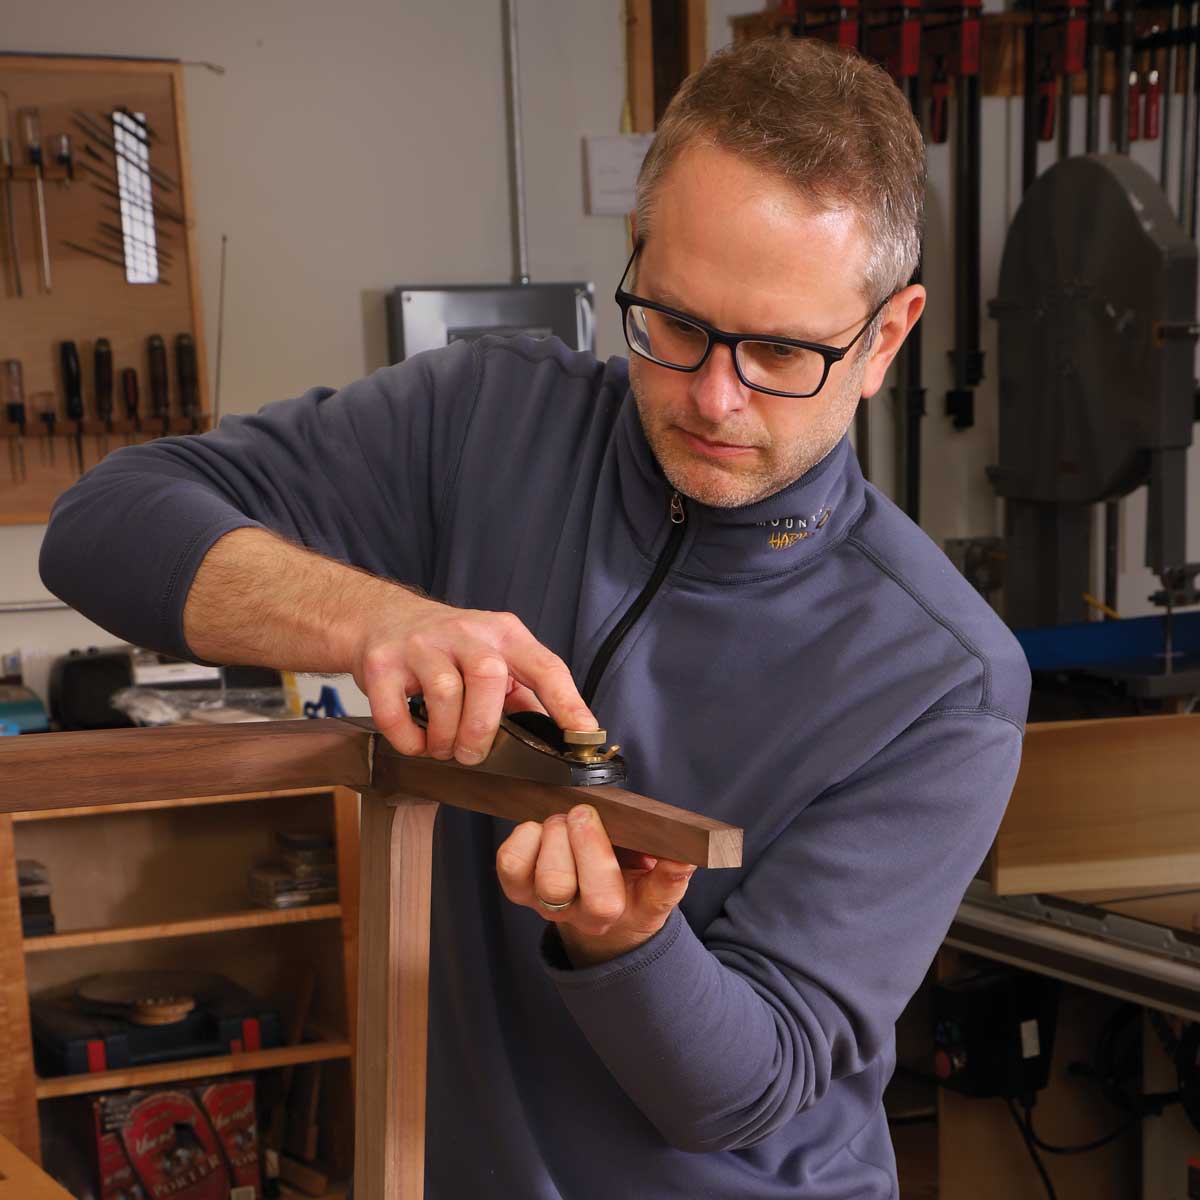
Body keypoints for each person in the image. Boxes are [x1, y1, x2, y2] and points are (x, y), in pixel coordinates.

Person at [40, 36, 1030, 1199]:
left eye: (777, 352)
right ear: (635, 257)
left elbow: (746, 1092)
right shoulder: (484, 422)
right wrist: (370, 618)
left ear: (887, 338)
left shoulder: (941, 679)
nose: (714, 397)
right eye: (673, 324)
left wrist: (628, 941)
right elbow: (102, 526)